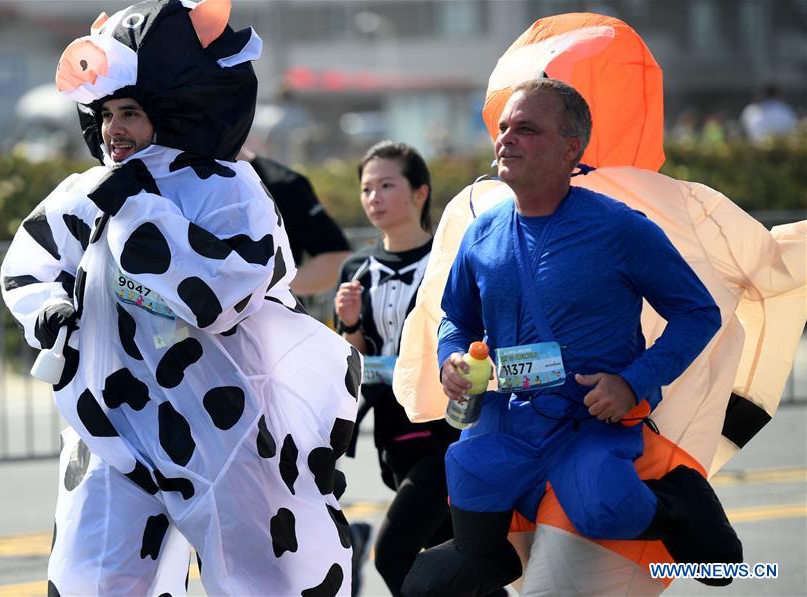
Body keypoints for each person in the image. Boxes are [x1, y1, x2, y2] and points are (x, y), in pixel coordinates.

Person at [0, 3, 358, 595]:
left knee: (263, 577)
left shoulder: (228, 187)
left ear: (170, 112)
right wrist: (46, 309)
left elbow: (226, 293)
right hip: (111, 428)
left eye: (131, 113)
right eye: (107, 113)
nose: (115, 129)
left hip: (225, 430)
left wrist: (137, 210)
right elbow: (30, 264)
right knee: (95, 578)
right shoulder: (83, 191)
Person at [403, 79, 743, 596]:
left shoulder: (620, 229)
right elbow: (457, 320)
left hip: (590, 421)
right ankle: (485, 555)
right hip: (508, 420)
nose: (506, 139)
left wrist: (634, 382)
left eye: (527, 129)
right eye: (503, 128)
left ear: (571, 149)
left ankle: (675, 506)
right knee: (467, 476)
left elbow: (697, 313)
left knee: (602, 504)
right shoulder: (481, 232)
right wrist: (452, 358)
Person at [333, 141, 462, 596]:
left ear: (420, 193)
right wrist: (349, 323)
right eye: (367, 188)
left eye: (387, 185)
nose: (374, 198)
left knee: (394, 556)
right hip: (390, 436)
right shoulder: (356, 270)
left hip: (447, 434)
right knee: (452, 557)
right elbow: (354, 362)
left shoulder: (449, 263)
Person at [239, 147, 351, 296]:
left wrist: (265, 293)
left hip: (270, 317)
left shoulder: (282, 184)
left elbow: (337, 259)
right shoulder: (199, 182)